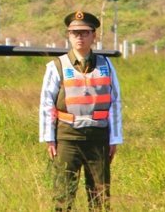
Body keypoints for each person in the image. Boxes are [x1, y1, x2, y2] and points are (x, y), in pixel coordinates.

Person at [39, 11, 123, 211]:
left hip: (98, 137)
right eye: (74, 32)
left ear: (94, 36)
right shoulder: (56, 66)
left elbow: (116, 102)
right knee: (63, 194)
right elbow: (46, 103)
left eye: (84, 32)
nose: (79, 37)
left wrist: (115, 138)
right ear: (68, 35)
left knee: (100, 195)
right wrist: (49, 138)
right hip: (68, 137)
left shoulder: (106, 65)